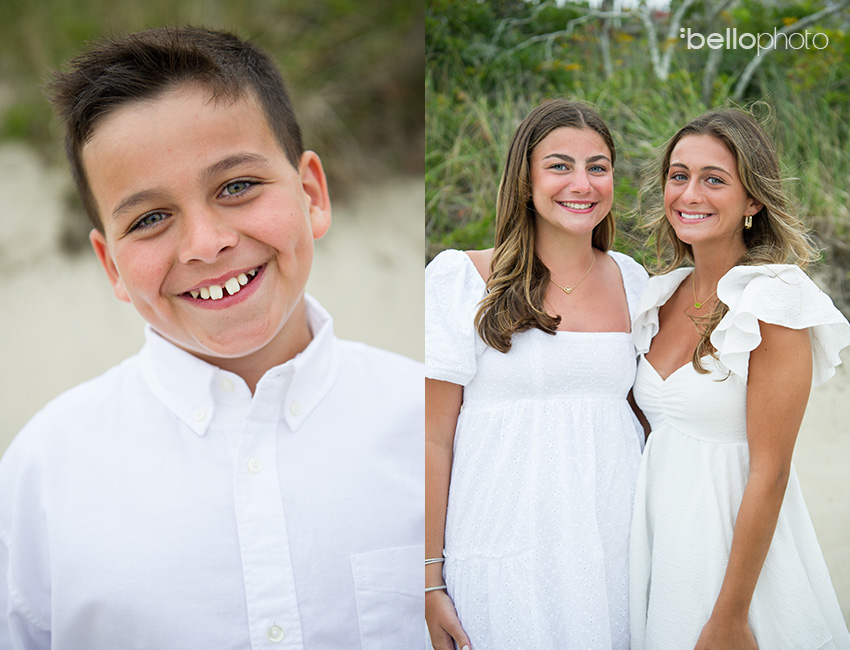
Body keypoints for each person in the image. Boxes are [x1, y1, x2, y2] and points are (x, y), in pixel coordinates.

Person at [0, 26, 423, 649]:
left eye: (236, 187)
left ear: (311, 195)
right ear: (111, 265)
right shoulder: (43, 472)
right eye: (149, 219)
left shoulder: (428, 419)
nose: (206, 244)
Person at [425, 99, 648, 650]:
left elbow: (648, 418)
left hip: (611, 549)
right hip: (502, 548)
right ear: (524, 180)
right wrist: (428, 576)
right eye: (559, 165)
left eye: (598, 166)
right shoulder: (460, 278)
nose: (582, 182)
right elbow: (430, 438)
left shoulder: (634, 280)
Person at [629, 107, 850, 649]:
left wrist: (730, 615)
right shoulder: (658, 295)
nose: (690, 194)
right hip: (664, 540)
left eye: (714, 179)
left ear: (753, 199)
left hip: (737, 563)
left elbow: (770, 473)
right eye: (678, 176)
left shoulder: (774, 301)